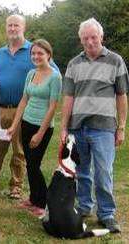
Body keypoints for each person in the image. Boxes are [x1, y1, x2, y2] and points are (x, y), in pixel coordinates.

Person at [60, 18, 128, 233]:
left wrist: (121, 127)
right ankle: (84, 207)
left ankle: (107, 213)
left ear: (101, 37)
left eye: (94, 37)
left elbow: (121, 96)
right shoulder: (73, 64)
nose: (90, 42)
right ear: (81, 40)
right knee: (82, 171)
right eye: (85, 38)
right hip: (78, 127)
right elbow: (68, 98)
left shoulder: (115, 61)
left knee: (103, 172)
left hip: (104, 128)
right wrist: (63, 127)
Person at [0, 14, 58, 198]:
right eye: (10, 26)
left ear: (23, 27)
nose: (12, 28)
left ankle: (16, 186)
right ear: (6, 28)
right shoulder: (0, 53)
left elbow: (51, 71)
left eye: (16, 25)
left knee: (19, 150)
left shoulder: (34, 50)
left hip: (24, 109)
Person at [7, 39, 62, 217]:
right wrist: (14, 125)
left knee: (34, 164)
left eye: (40, 53)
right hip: (27, 123)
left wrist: (40, 133)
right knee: (29, 164)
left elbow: (53, 107)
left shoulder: (55, 77)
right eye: (34, 53)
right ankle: (33, 198)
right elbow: (24, 100)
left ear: (49, 55)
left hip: (42, 126)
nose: (36, 57)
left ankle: (43, 202)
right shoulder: (31, 73)